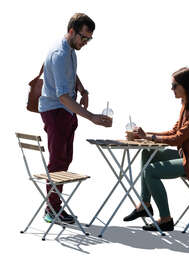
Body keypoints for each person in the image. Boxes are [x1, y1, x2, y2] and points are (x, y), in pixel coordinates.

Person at [39, 13, 112, 224]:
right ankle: (52, 210)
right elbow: (62, 95)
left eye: (89, 39)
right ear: (72, 31)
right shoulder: (60, 53)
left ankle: (54, 207)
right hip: (56, 111)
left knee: (65, 159)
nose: (86, 43)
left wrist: (82, 89)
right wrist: (92, 118)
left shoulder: (70, 49)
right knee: (58, 162)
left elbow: (69, 75)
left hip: (66, 112)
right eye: (84, 37)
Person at [123, 67, 189, 231]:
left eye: (174, 86)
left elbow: (177, 139)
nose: (171, 89)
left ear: (186, 86)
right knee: (148, 152)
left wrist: (149, 137)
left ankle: (166, 219)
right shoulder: (187, 105)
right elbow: (174, 132)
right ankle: (144, 205)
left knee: (150, 171)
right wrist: (146, 134)